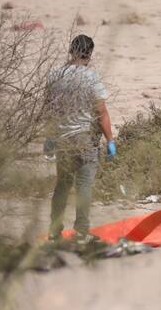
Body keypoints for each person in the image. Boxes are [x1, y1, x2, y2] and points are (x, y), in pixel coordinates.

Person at [47, 34, 116, 239]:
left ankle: (54, 230)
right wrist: (110, 140)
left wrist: (49, 137)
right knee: (84, 185)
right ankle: (81, 231)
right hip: (85, 138)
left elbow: (49, 109)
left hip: (62, 139)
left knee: (62, 184)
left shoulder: (55, 75)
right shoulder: (90, 77)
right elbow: (101, 112)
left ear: (71, 50)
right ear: (90, 53)